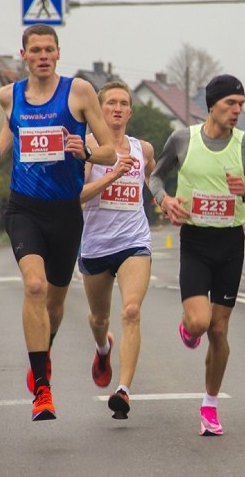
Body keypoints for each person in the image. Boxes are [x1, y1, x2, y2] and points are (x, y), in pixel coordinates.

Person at [0, 23, 116, 422]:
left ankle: (44, 353)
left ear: (58, 53)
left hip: (65, 212)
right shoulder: (9, 95)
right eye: (34, 50)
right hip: (24, 208)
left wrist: (84, 151)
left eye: (48, 50)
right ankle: (42, 389)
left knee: (54, 305)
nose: (42, 56)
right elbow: (12, 125)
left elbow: (108, 151)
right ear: (23, 55)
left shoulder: (79, 92)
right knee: (34, 286)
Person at [149, 74, 245, 436]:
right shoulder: (183, 139)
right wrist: (165, 200)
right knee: (201, 322)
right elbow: (155, 178)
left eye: (241, 105)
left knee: (219, 330)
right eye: (230, 104)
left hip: (231, 244)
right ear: (212, 106)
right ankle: (188, 326)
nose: (237, 111)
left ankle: (210, 405)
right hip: (196, 243)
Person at [78, 81, 156, 420]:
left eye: (124, 103)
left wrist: (162, 199)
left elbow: (151, 180)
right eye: (111, 103)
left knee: (132, 311)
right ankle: (102, 347)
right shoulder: (87, 147)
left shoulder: (144, 149)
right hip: (95, 244)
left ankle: (123, 389)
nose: (118, 109)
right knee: (100, 318)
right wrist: (112, 175)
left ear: (130, 111)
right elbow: (77, 196)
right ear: (99, 108)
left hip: (133, 241)